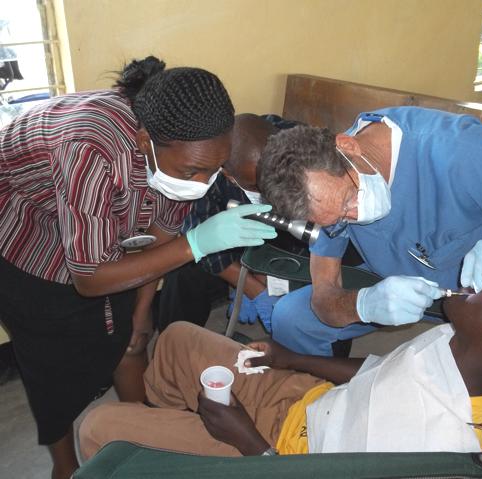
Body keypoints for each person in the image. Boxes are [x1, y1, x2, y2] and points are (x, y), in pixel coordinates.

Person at [0, 56, 277, 479]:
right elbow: (90, 279)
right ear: (145, 141)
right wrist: (197, 243)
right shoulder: (88, 145)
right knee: (48, 363)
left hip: (95, 222)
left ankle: (142, 430)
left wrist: (141, 312)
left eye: (214, 168)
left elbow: (160, 237)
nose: (203, 183)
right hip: (25, 229)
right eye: (194, 171)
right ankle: (64, 465)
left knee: (130, 339)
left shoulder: (184, 151)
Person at [79, 275, 482, 460]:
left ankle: (161, 452)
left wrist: (247, 442)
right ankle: (174, 437)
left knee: (100, 430)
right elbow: (380, 372)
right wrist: (290, 359)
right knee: (177, 341)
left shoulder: (439, 447)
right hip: (304, 400)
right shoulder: (456, 344)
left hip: (279, 457)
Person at [256, 107, 482, 357]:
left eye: (350, 198)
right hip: (409, 296)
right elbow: (324, 296)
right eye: (337, 219)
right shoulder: (330, 200)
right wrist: (364, 304)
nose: (354, 216)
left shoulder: (454, 152)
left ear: (347, 147)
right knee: (292, 317)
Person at [156, 113, 304, 333]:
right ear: (227, 174)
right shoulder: (202, 171)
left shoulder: (298, 143)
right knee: (184, 271)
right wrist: (253, 289)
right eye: (256, 185)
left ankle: (318, 357)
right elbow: (198, 238)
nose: (269, 191)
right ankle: (177, 338)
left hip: (286, 237)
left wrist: (264, 275)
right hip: (227, 240)